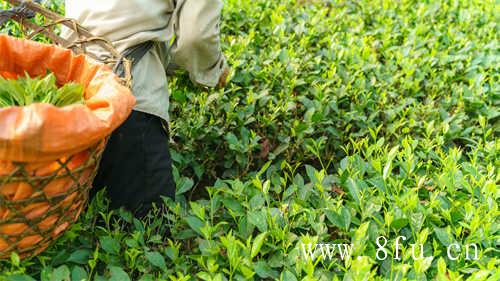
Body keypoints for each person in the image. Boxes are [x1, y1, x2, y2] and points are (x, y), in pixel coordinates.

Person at [63, 0, 230, 217]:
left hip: (73, 91)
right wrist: (212, 71)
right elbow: (196, 38)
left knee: (84, 226)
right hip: (131, 98)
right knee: (148, 231)